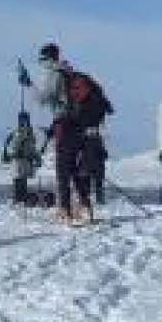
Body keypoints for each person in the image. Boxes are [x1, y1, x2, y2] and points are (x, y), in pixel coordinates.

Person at [28, 42, 112, 224]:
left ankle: (65, 210)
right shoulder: (71, 73)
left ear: (48, 59)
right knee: (75, 169)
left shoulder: (55, 73)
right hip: (80, 127)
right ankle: (85, 207)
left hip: (65, 125)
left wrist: (29, 85)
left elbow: (42, 99)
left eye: (42, 60)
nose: (41, 65)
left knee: (63, 169)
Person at [3, 111, 41, 204]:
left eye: (26, 120)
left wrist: (36, 157)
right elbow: (12, 146)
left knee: (22, 179)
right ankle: (19, 199)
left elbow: (32, 148)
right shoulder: (18, 133)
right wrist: (13, 154)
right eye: (23, 120)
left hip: (26, 161)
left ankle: (22, 199)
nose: (25, 122)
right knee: (19, 179)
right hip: (19, 161)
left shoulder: (29, 133)